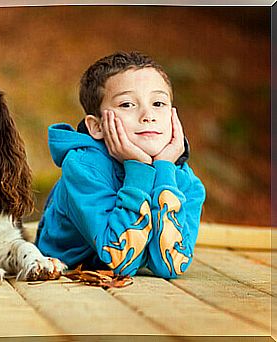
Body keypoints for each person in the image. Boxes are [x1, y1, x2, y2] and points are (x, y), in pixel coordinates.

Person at [35, 51, 206, 278]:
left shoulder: (186, 183)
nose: (148, 115)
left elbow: (171, 265)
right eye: (127, 104)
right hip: (64, 271)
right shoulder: (83, 167)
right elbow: (119, 260)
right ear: (97, 127)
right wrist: (138, 167)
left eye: (158, 103)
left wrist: (164, 169)